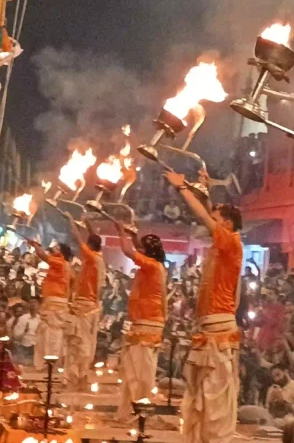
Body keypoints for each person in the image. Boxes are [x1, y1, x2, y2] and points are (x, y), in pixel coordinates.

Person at [165, 169, 244, 443]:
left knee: (215, 402)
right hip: (207, 329)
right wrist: (201, 189)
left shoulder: (232, 243)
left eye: (217, 220)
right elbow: (209, 213)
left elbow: (205, 218)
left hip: (219, 331)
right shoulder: (221, 245)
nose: (211, 222)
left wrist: (183, 190)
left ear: (228, 225)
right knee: (199, 395)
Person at [110, 218, 167, 422]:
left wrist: (120, 232)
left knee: (141, 373)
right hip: (142, 323)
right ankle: (129, 411)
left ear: (148, 252)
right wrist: (133, 234)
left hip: (148, 324)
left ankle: (140, 410)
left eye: (142, 247)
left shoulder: (152, 266)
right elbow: (136, 248)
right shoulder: (152, 265)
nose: (138, 249)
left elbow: (128, 251)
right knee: (131, 370)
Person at [62, 216, 105, 391]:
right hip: (86, 307)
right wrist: (87, 221)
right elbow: (93, 237)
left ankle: (78, 376)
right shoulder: (97, 257)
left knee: (80, 344)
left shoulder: (93, 258)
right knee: (76, 343)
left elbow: (76, 237)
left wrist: (70, 219)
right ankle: (75, 376)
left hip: (85, 307)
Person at [25, 238, 72, 369]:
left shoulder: (60, 262)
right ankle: (46, 365)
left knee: (52, 334)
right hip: (53, 302)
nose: (53, 249)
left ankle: (51, 365)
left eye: (56, 248)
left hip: (56, 305)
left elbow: (43, 256)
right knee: (46, 332)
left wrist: (35, 245)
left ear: (62, 252)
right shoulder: (62, 264)